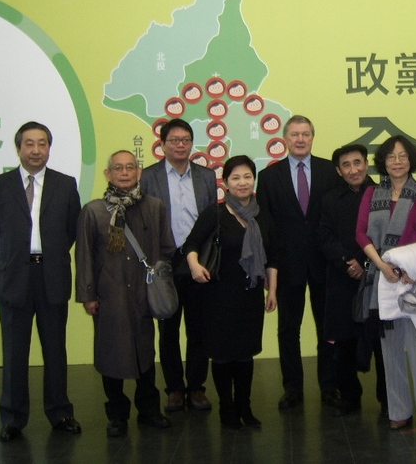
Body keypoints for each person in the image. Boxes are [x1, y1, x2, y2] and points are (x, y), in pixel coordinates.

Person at [0, 121, 82, 442]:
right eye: (29, 144)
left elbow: (71, 231)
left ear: (49, 148)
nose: (36, 150)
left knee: (55, 351)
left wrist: (44, 256)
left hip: (51, 275)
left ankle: (60, 412)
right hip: (14, 279)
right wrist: (16, 258)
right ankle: (12, 418)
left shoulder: (66, 185)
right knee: (14, 352)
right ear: (19, 148)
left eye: (42, 144)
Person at [75, 150, 177, 437]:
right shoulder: (93, 211)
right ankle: (117, 415)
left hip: (143, 294)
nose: (124, 172)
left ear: (139, 172)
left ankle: (149, 410)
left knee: (146, 352)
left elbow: (167, 249)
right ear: (108, 174)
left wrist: (159, 281)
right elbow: (84, 257)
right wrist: (88, 295)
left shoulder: (155, 206)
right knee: (111, 355)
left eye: (129, 167)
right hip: (110, 297)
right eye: (117, 168)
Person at [355, 135, 416, 431]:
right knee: (390, 349)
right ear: (383, 161)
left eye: (403, 156)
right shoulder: (371, 194)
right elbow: (361, 235)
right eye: (391, 157)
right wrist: (382, 265)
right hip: (384, 280)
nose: (397, 161)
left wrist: (413, 268)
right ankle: (399, 411)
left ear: (412, 161)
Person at [183, 155, 278, 429]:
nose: (242, 182)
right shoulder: (215, 214)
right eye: (235, 177)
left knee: (245, 355)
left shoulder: (262, 216)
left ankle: (244, 408)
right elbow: (191, 244)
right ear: (225, 183)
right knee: (223, 356)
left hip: (249, 295)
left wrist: (272, 290)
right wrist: (194, 266)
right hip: (218, 296)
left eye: (247, 176)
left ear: (253, 180)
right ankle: (227, 409)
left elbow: (272, 257)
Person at [255, 115, 340, 409]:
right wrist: (270, 268)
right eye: (294, 134)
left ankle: (329, 386)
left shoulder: (330, 171)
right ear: (285, 139)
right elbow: (266, 225)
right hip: (287, 264)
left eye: (305, 134)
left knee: (327, 329)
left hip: (324, 262)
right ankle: (292, 388)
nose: (300, 139)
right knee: (288, 330)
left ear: (313, 137)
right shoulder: (268, 177)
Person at [140, 118, 217, 413]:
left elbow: (212, 220)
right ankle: (174, 388)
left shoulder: (206, 176)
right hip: (165, 261)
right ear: (162, 144)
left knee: (199, 328)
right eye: (174, 140)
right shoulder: (149, 177)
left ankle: (196, 387)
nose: (181, 145)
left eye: (186, 139)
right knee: (168, 329)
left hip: (198, 260)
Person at [318, 144, 387, 418]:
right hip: (342, 278)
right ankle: (350, 397)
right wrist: (349, 262)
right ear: (338, 170)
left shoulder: (383, 194)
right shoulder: (330, 199)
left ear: (366, 164)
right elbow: (323, 236)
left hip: (378, 279)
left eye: (357, 163)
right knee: (344, 344)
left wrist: (365, 262)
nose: (353, 169)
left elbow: (386, 235)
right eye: (346, 165)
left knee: (382, 343)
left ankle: (387, 400)